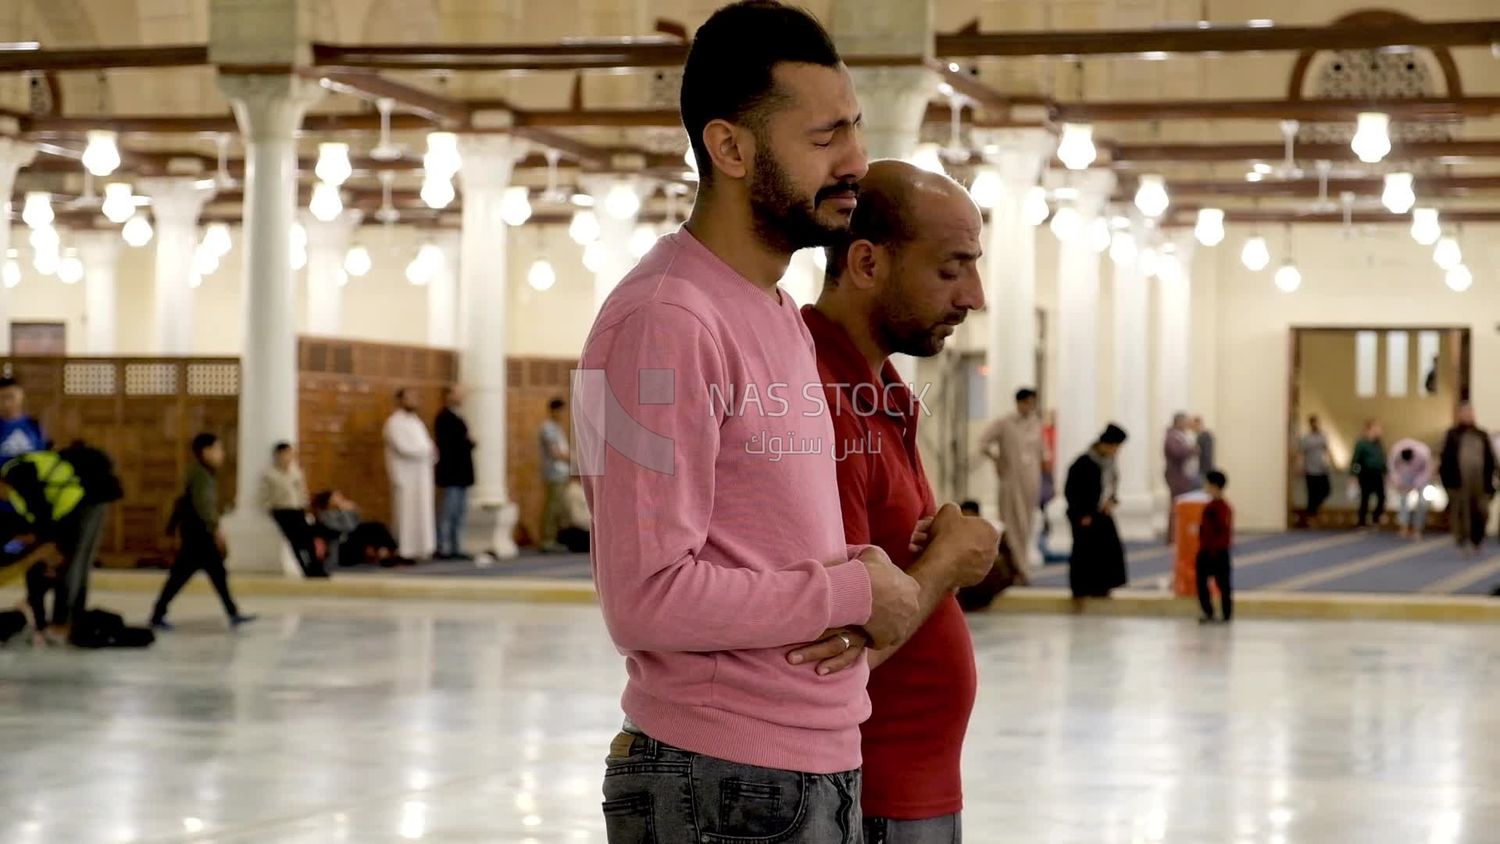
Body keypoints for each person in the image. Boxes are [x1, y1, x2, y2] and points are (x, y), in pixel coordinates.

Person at [581, 5, 920, 840]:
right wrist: (847, 590)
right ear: (730, 148)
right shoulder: (660, 321)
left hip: (798, 771)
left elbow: (758, 538)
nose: (856, 162)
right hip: (720, 782)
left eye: (856, 129)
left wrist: (852, 567)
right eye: (824, 137)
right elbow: (643, 598)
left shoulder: (769, 309)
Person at [786, 159, 999, 841]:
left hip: (908, 790)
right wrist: (948, 564)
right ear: (868, 263)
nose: (974, 295)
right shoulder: (820, 398)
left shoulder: (878, 389)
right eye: (950, 269)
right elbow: (828, 651)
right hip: (873, 796)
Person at [0, 442, 121, 640]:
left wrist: (47, 548)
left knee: (72, 563)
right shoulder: (13, 493)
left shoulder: (15, 472)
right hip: (81, 502)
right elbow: (39, 517)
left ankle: (61, 623)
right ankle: (68, 619)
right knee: (74, 563)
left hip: (86, 499)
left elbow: (43, 512)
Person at [150, 433, 255, 630]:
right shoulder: (201, 475)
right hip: (199, 533)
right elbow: (203, 505)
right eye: (218, 449)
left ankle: (232, 612)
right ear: (206, 452)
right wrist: (215, 529)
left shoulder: (201, 473)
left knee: (213, 574)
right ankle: (158, 613)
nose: (221, 454)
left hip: (195, 532)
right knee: (185, 575)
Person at [979, 387, 1044, 574]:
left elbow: (1041, 452)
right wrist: (996, 460)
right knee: (1011, 523)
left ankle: (1022, 565)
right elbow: (983, 442)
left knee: (1027, 524)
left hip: (1031, 481)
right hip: (1011, 481)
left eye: (1032, 403)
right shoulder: (1005, 423)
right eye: (1026, 403)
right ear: (1018, 403)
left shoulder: (1036, 424)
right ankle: (1017, 567)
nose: (1029, 407)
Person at [1066, 424, 1130, 599]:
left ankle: (1102, 587)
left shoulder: (1109, 464)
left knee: (1107, 551)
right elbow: (1072, 491)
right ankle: (1081, 590)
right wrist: (1082, 514)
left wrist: (1111, 501)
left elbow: (1110, 488)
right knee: (1084, 553)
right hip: (1085, 516)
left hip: (1102, 514)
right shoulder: (1083, 464)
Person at [383, 388, 436, 561]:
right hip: (405, 476)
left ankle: (423, 549)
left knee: (422, 511)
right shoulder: (394, 422)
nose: (414, 401)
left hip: (422, 474)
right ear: (400, 401)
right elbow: (403, 447)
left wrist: (430, 451)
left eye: (415, 397)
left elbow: (429, 446)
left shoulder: (416, 422)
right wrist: (425, 451)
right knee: (406, 513)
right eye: (409, 398)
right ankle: (405, 550)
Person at [259, 442, 325, 577]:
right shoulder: (270, 475)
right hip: (282, 511)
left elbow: (302, 491)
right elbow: (264, 495)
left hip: (297, 509)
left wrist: (305, 505)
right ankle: (305, 568)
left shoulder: (296, 473)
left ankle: (316, 568)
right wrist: (270, 508)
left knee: (308, 539)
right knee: (295, 540)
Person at [1439, 402, 1496, 556]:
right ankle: (1462, 543)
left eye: (1470, 413)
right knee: (1460, 514)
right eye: (1464, 413)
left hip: (1480, 482)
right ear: (1459, 415)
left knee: (1481, 512)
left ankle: (1477, 541)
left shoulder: (1481, 434)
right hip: (1458, 482)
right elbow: (1445, 460)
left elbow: (1490, 459)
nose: (1468, 416)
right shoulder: (1452, 435)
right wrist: (1447, 482)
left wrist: (1492, 483)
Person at [433, 385, 475, 561]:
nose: (462, 397)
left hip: (462, 473)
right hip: (451, 472)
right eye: (458, 394)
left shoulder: (458, 416)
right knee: (448, 512)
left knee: (459, 513)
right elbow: (451, 445)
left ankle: (456, 546)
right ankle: (444, 546)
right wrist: (467, 443)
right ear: (449, 395)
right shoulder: (443, 417)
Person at [312, 489, 403, 568]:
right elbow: (351, 527)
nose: (341, 498)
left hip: (349, 544)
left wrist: (354, 510)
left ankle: (387, 553)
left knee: (374, 526)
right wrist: (345, 509)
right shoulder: (325, 516)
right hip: (341, 552)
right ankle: (386, 553)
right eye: (337, 497)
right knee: (370, 527)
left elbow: (357, 523)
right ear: (329, 501)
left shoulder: (337, 512)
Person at [1196, 470, 1234, 624]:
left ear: (1215, 486)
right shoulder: (1211, 506)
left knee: (1223, 584)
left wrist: (1213, 548)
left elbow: (1222, 531)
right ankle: (1208, 611)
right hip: (1207, 550)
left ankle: (1226, 614)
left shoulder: (1222, 508)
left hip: (1217, 551)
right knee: (1202, 582)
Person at [537, 397, 571, 552]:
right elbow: (555, 452)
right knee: (551, 508)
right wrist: (575, 460)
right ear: (554, 410)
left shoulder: (557, 427)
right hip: (554, 473)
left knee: (558, 508)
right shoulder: (548, 428)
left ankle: (554, 538)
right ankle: (546, 540)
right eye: (561, 411)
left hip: (561, 472)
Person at [1163, 412, 1200, 541]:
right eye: (1184, 422)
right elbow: (1177, 453)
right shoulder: (1172, 437)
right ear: (1178, 422)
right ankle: (1173, 536)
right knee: (1176, 505)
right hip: (1176, 476)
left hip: (1183, 476)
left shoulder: (1181, 436)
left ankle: (1180, 534)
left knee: (1182, 504)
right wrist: (1192, 450)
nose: (1186, 425)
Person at [1387, 439, 1433, 540]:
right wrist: (1398, 483)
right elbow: (1392, 469)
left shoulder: (1423, 452)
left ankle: (1418, 529)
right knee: (1403, 501)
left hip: (1420, 475)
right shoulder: (1396, 451)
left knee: (1421, 503)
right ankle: (1404, 527)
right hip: (1404, 476)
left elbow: (1427, 471)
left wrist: (1416, 485)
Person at [1350, 419, 1388, 529]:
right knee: (1365, 498)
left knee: (1382, 497)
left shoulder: (1379, 444)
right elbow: (1356, 461)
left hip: (1377, 474)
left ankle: (1376, 518)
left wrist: (1385, 472)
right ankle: (1362, 521)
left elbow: (1382, 458)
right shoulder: (1361, 444)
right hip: (1366, 473)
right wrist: (1354, 474)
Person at [1298, 415, 1334, 526]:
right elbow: (1301, 454)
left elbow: (1328, 450)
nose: (1316, 425)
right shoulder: (1306, 439)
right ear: (1310, 424)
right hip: (1310, 470)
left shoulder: (1323, 436)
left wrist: (1334, 463)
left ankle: (1313, 509)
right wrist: (1299, 466)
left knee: (1326, 491)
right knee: (1311, 494)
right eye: (1313, 423)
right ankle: (1311, 517)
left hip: (1322, 469)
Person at [1192, 415, 1216, 482]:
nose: (1192, 429)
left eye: (1193, 426)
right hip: (1202, 468)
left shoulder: (1206, 436)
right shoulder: (1199, 436)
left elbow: (1207, 454)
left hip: (1205, 469)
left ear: (1198, 424)